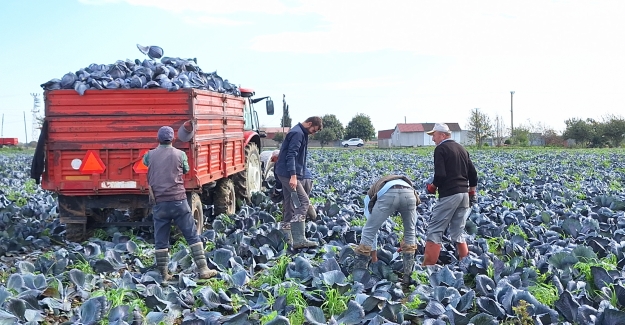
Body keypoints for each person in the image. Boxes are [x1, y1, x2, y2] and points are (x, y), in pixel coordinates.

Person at [143, 123, 218, 281]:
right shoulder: (180, 154)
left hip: (160, 203)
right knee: (191, 235)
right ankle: (203, 269)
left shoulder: (149, 155)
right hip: (179, 201)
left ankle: (163, 275)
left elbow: (146, 164)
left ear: (158, 138)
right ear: (172, 139)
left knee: (161, 239)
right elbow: (185, 169)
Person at [423, 123, 478, 265]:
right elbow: (473, 174)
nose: (433, 139)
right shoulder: (462, 149)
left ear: (442, 135)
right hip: (464, 195)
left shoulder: (441, 149)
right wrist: (472, 192)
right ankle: (465, 263)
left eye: (434, 135)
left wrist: (432, 187)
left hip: (449, 195)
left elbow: (440, 175)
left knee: (435, 230)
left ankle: (428, 268)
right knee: (457, 232)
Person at [352, 175, 420, 285]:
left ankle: (359, 278)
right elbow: (413, 223)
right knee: (410, 232)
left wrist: (374, 258)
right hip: (409, 193)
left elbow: (371, 230)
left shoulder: (369, 196)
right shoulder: (402, 182)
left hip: (388, 194)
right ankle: (408, 278)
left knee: (368, 231)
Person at [274, 116, 323, 249]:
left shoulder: (300, 132)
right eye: (314, 129)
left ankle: (286, 236)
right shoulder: (297, 133)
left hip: (283, 172)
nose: (313, 133)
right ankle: (299, 239)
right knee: (303, 202)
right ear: (309, 123)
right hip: (287, 173)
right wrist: (293, 176)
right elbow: (291, 156)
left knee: (289, 202)